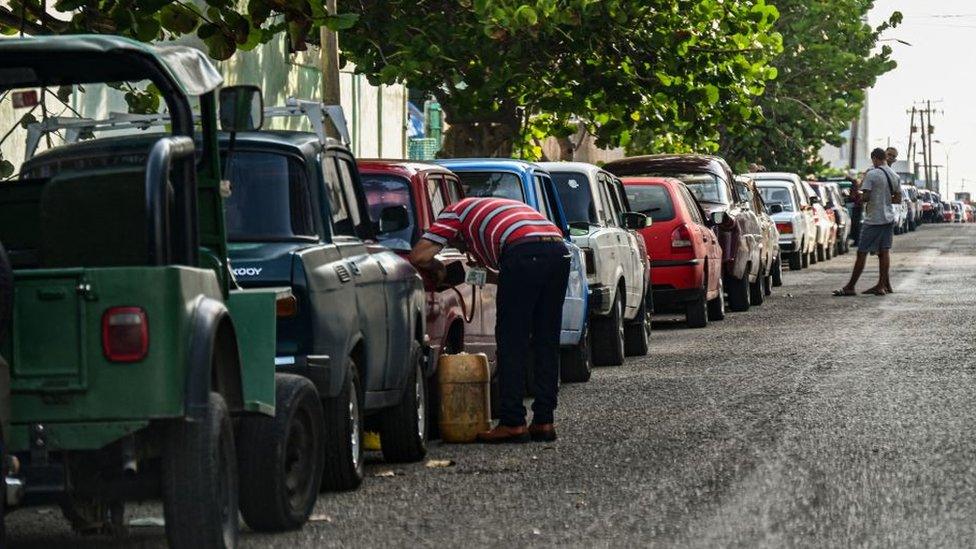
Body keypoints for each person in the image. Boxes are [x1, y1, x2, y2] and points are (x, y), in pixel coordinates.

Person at [408, 197, 571, 443]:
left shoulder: (455, 213)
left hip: (523, 252)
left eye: (458, 244)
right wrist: (467, 275)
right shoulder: (493, 211)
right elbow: (507, 276)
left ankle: (513, 423)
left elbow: (419, 256)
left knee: (511, 342)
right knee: (545, 340)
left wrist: (438, 269)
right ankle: (544, 422)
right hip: (558, 251)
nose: (462, 250)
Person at [833, 148, 898, 297]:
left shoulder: (872, 173)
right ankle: (881, 286)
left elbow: (866, 196)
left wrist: (859, 197)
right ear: (885, 158)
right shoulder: (894, 175)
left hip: (873, 219)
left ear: (874, 158)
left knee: (862, 252)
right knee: (885, 251)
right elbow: (898, 198)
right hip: (888, 218)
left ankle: (850, 286)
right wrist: (884, 199)